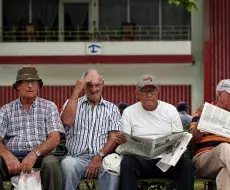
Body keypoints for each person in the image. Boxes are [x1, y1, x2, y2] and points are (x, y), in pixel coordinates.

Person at [116, 74, 195, 190]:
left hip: (166, 161)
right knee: (127, 163)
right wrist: (121, 139)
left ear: (158, 92)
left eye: (152, 91)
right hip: (141, 161)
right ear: (137, 93)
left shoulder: (170, 110)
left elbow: (178, 138)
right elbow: (125, 141)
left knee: (187, 165)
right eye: (144, 91)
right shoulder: (129, 112)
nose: (149, 95)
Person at [0, 66, 65, 190]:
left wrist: (34, 154)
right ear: (17, 86)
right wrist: (7, 156)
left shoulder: (49, 107)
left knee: (51, 163)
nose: (30, 86)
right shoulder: (6, 110)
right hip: (13, 159)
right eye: (25, 82)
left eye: (33, 82)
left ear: (38, 86)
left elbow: (54, 138)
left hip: (42, 157)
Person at [61, 68, 121, 190]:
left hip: (102, 158)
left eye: (97, 85)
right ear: (83, 86)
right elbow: (66, 121)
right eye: (89, 85)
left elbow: (113, 137)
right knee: (67, 164)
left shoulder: (112, 108)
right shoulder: (72, 103)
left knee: (113, 167)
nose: (94, 89)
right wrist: (76, 90)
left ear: (102, 84)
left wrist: (99, 156)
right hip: (76, 158)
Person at [190, 79, 230, 190]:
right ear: (219, 94)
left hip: (226, 161)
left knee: (225, 173)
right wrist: (202, 120)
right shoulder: (203, 111)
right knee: (225, 148)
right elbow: (192, 139)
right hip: (204, 160)